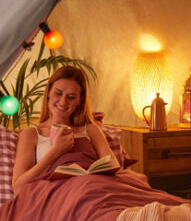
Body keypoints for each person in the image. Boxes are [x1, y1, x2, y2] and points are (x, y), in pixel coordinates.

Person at [12, 66, 119, 194]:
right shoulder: (32, 134)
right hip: (58, 194)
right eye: (58, 93)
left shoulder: (91, 130)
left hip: (95, 188)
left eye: (71, 97)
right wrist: (56, 151)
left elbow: (113, 167)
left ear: (80, 100)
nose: (63, 102)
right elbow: (18, 188)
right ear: (48, 92)